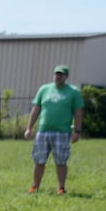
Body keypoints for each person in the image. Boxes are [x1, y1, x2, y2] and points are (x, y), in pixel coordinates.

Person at [24, 64, 84, 195]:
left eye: (61, 74)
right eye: (56, 74)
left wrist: (77, 131)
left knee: (61, 161)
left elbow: (78, 113)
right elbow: (36, 110)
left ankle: (61, 188)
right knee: (39, 160)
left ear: (66, 76)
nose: (58, 76)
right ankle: (35, 186)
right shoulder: (44, 89)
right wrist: (29, 128)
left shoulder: (73, 92)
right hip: (43, 131)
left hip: (62, 132)